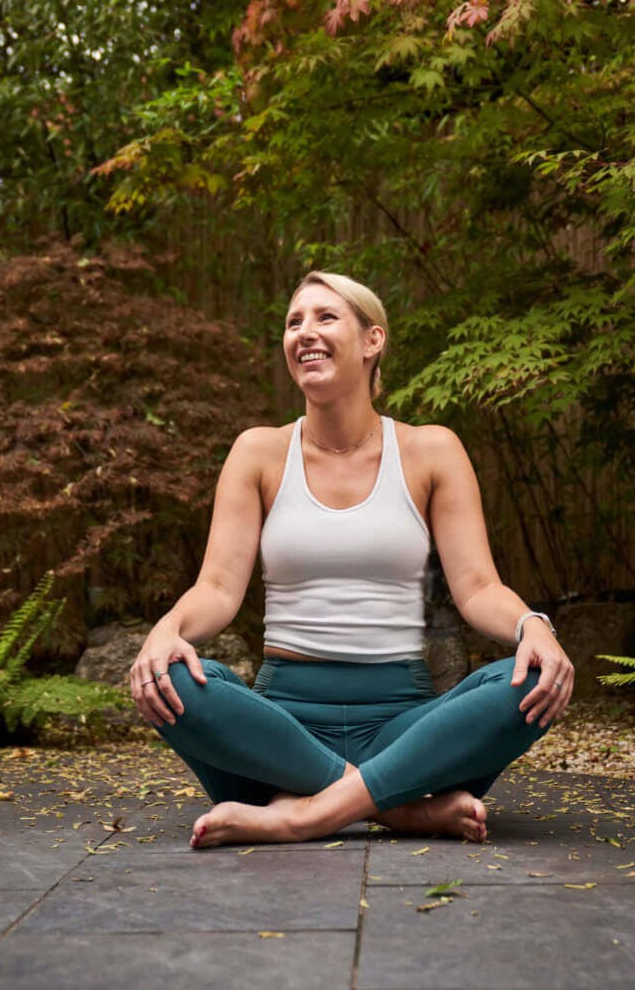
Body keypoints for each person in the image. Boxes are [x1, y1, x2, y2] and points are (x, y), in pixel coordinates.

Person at [130, 271, 574, 848]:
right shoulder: (257, 452)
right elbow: (216, 587)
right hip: (278, 733)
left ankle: (298, 815)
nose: (304, 332)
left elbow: (478, 587)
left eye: (325, 317)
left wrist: (531, 625)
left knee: (539, 676)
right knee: (168, 678)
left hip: (406, 730)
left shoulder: (431, 450)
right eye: (294, 322)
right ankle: (400, 808)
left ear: (373, 340)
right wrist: (167, 629)